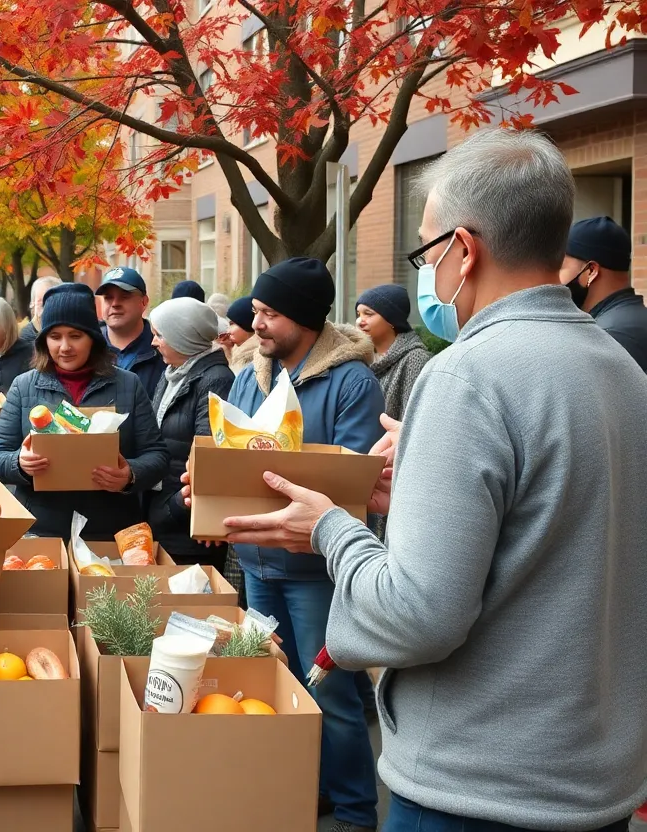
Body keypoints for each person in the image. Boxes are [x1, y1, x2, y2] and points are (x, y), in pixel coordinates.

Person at [211, 129, 647, 832]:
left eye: (425, 250)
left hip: (480, 784)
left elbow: (417, 615)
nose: (427, 272)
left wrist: (331, 530)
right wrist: (417, 488)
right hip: (598, 779)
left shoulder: (468, 375)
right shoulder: (622, 370)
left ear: (464, 250)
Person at [222, 257, 385, 832]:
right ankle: (306, 789)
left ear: (307, 318)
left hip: (317, 568)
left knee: (332, 695)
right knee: (279, 683)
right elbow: (229, 452)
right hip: (259, 563)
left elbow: (353, 477)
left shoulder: (352, 381)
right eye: (257, 311)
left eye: (270, 314)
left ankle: (355, 812)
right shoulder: (249, 374)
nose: (256, 323)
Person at [0, 282, 168, 540]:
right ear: (43, 341)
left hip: (110, 530)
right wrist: (20, 463)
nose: (64, 347)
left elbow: (157, 455)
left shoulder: (127, 384)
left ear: (93, 338)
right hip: (42, 529)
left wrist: (129, 474)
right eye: (55, 336)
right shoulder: (24, 386)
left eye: (75, 336)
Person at [144, 297, 234, 574]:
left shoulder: (216, 379)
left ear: (183, 338)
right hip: (168, 516)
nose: (153, 343)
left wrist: (172, 511)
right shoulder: (173, 373)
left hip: (189, 527)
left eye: (160, 335)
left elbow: (210, 460)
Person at [561, 216, 647, 372]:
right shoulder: (632, 318)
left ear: (591, 271)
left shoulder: (609, 337)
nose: (553, 279)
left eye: (560, 267)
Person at [355, 284, 431, 420]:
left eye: (368, 314)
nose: (360, 321)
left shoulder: (415, 359)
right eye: (358, 314)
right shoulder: (358, 359)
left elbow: (414, 420)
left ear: (391, 320)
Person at [95, 267, 165, 397]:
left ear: (144, 302)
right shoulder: (88, 349)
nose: (115, 304)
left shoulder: (163, 350)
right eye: (108, 298)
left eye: (124, 297)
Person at [19, 275, 62, 343]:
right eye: (42, 303)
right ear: (32, 304)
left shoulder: (67, 329)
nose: (47, 309)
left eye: (53, 302)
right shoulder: (25, 338)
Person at [225, 294, 260, 373]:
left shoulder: (254, 359)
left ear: (247, 325)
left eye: (232, 324)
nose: (228, 331)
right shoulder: (238, 353)